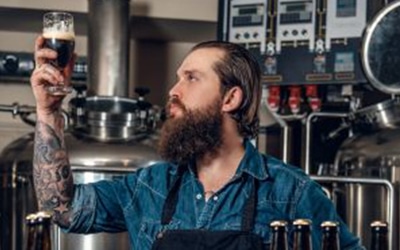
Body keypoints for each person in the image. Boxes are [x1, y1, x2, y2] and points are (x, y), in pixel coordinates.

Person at [31, 36, 364, 249]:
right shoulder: (149, 186)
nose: (173, 90)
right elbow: (63, 210)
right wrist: (48, 113)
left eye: (191, 78)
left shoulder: (291, 192)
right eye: (178, 78)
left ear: (230, 98)